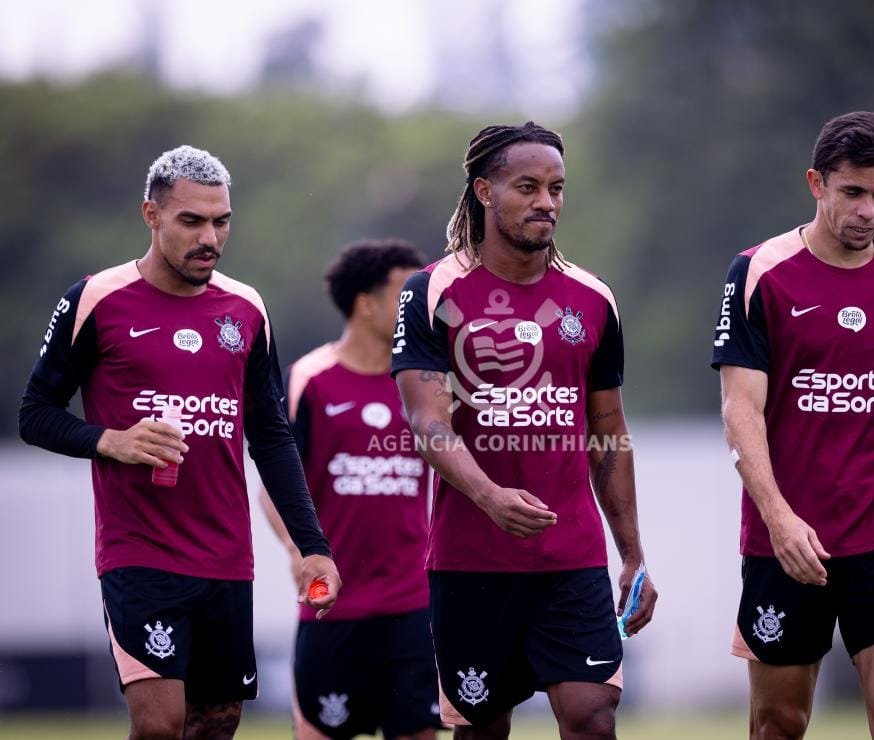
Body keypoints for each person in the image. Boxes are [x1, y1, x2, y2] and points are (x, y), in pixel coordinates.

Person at [18, 145, 341, 740]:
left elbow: (269, 435)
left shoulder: (246, 308)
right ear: (152, 215)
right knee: (160, 725)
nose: (210, 237)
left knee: (216, 723)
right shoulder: (94, 299)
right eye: (191, 221)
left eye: (221, 221)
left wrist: (311, 544)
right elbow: (34, 415)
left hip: (225, 555)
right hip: (138, 551)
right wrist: (109, 440)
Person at [391, 121, 657, 740]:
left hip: (572, 560)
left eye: (557, 188)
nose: (547, 202)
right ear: (485, 191)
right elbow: (427, 420)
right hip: (470, 562)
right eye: (529, 186)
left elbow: (608, 430)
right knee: (482, 729)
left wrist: (633, 554)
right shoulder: (430, 292)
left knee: (593, 715)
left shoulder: (592, 299)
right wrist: (489, 497)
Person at [711, 111, 874, 740]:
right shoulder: (759, 273)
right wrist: (780, 519)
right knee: (778, 723)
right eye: (853, 193)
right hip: (789, 543)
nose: (868, 211)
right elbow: (740, 411)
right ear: (817, 183)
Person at [258, 239, 442, 740]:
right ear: (366, 304)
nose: (418, 308)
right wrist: (299, 549)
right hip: (331, 604)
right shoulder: (308, 381)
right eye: (406, 296)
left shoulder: (428, 385)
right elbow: (273, 485)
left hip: (415, 604)